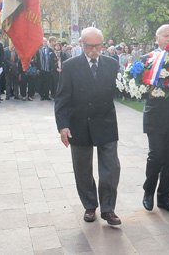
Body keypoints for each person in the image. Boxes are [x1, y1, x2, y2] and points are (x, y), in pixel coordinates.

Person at [54, 27, 122, 225]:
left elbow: (121, 89)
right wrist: (63, 126)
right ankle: (90, 206)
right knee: (83, 169)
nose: (94, 49)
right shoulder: (70, 66)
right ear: (82, 44)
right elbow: (62, 98)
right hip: (79, 124)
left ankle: (108, 209)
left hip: (106, 122)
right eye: (90, 45)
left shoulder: (111, 64)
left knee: (111, 169)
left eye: (98, 45)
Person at [142, 24, 169, 214]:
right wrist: (148, 92)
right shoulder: (147, 59)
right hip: (155, 116)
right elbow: (136, 88)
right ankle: (148, 192)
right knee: (156, 156)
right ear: (157, 37)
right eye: (165, 35)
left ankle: (164, 197)